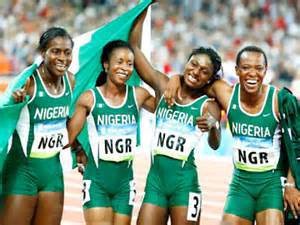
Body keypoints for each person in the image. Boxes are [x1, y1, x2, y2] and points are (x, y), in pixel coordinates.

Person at [166, 45, 291, 225]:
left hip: (270, 184)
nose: (252, 74)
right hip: (241, 184)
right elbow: (196, 81)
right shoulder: (226, 94)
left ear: (266, 71)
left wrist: (292, 185)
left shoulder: (278, 100)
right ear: (237, 70)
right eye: (246, 68)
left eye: (259, 68)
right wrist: (175, 78)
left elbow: (296, 143)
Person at [129, 8, 222, 225]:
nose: (196, 71)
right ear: (186, 63)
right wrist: (145, 6)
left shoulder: (208, 105)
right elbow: (134, 49)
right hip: (155, 183)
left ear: (209, 79)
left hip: (185, 186)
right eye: (194, 64)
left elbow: (215, 143)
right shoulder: (164, 85)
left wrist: (213, 127)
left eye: (204, 71)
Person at [66, 39, 156, 225]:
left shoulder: (138, 95)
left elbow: (167, 109)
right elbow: (67, 137)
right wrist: (79, 150)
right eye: (119, 62)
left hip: (125, 183)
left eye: (130, 63)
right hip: (97, 182)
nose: (125, 67)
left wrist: (173, 81)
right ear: (106, 65)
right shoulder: (90, 98)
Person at [2, 27, 75, 225]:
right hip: (22, 171)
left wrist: (79, 146)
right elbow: (4, 110)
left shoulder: (70, 81)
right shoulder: (29, 83)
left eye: (67, 53)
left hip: (52, 172)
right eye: (56, 51)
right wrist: (14, 103)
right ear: (43, 53)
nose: (62, 58)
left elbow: (65, 119)